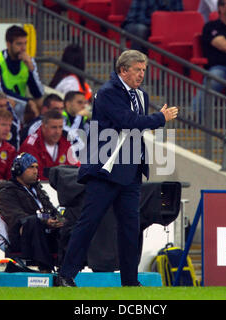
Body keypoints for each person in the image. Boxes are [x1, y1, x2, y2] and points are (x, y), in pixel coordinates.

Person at [55, 50, 178, 287]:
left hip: (130, 170)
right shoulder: (108, 93)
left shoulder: (141, 95)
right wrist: (160, 118)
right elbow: (128, 122)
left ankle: (130, 281)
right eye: (137, 70)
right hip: (106, 168)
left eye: (144, 70)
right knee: (89, 222)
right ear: (123, 70)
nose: (142, 74)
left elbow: (136, 129)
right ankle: (66, 274)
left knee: (131, 227)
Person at [0, 152, 64, 272]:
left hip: (43, 233)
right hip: (20, 238)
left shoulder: (37, 190)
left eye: (36, 167)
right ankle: (45, 269)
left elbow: (52, 210)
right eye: (31, 167)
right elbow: (17, 217)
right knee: (33, 222)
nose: (35, 171)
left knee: (67, 222)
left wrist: (59, 220)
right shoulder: (6, 192)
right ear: (18, 170)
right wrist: (45, 221)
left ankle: (67, 269)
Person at [0, 25, 44, 113]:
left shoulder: (28, 61)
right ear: (8, 44)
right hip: (2, 102)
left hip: (21, 104)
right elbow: (0, 90)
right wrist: (27, 101)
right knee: (14, 102)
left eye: (25, 43)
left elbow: (38, 93)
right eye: (19, 44)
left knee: (40, 102)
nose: (23, 48)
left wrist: (31, 69)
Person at [20, 109, 78, 181]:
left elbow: (74, 169)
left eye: (60, 127)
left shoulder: (66, 141)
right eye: (54, 127)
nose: (57, 131)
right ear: (44, 127)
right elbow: (31, 176)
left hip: (61, 188)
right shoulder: (30, 146)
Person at [61, 91, 89, 155]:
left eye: (84, 103)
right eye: (79, 102)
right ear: (68, 103)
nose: (83, 106)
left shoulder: (84, 119)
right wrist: (79, 116)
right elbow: (70, 135)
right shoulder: (59, 115)